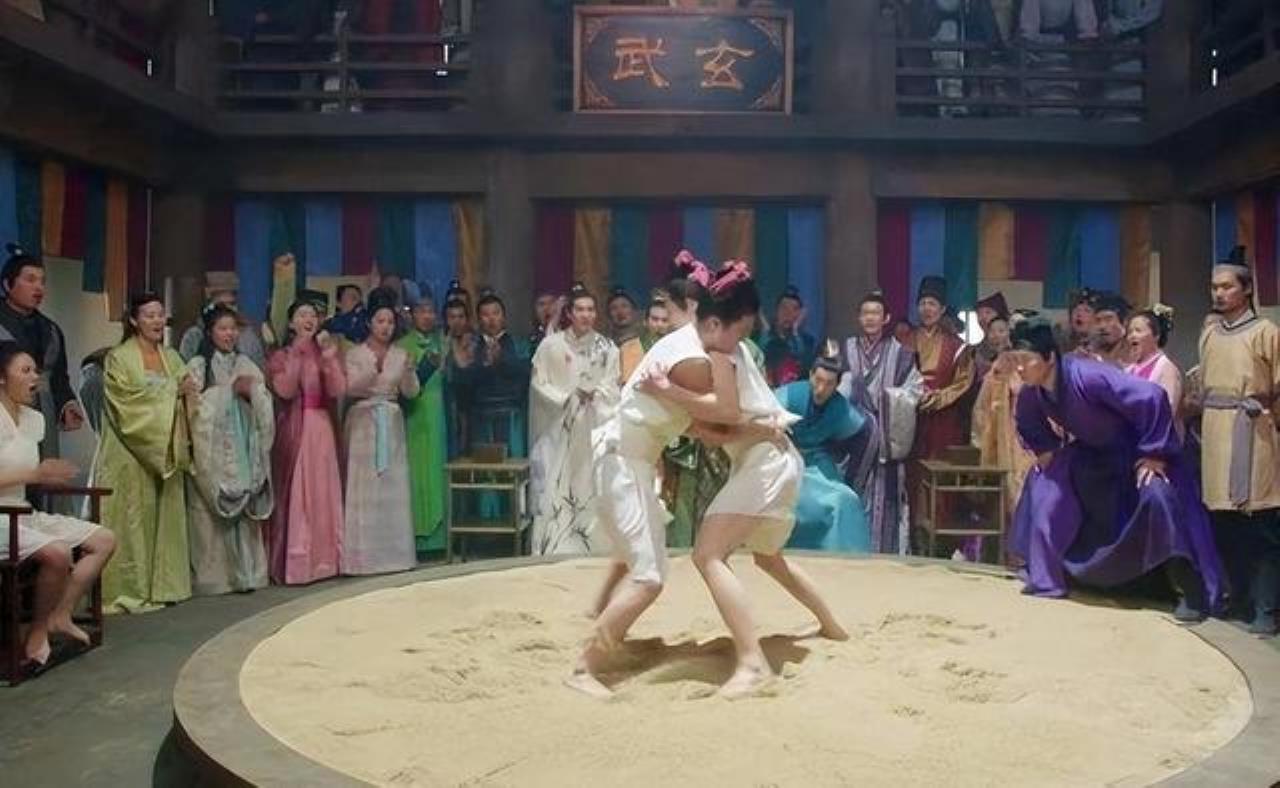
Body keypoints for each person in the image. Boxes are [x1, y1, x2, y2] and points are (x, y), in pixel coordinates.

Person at [633, 258, 848, 699]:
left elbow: (727, 417)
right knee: (769, 558)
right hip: (774, 458)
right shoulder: (724, 348)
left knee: (708, 554)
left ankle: (752, 664)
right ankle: (832, 626)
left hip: (767, 461)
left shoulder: (720, 352)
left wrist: (669, 393)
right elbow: (728, 424)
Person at [1008, 317, 1224, 621]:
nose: (1019, 368)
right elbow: (1027, 419)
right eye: (1015, 360)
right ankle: (1047, 573)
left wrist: (1154, 453)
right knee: (1046, 484)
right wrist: (1046, 451)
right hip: (1093, 454)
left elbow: (1152, 397)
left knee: (1157, 496)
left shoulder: (1088, 376)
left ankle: (1190, 590)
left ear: (1049, 357)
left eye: (1026, 360)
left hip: (1138, 451)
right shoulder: (1033, 390)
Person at [0, 342, 115, 669]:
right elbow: (27, 473)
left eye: (35, 371)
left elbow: (26, 474)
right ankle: (37, 631)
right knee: (58, 552)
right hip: (2, 518)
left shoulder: (34, 418)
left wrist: (48, 477)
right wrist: (37, 474)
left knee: (104, 540)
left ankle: (60, 615)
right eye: (25, 371)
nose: (34, 378)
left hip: (22, 512)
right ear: (2, 378)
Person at [92, 292, 194, 612]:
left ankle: (164, 586)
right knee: (131, 519)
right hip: (128, 449)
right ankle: (128, 589)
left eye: (160, 314)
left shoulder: (172, 357)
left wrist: (187, 394)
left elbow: (188, 392)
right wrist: (171, 391)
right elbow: (125, 403)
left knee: (164, 515)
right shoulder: (119, 357)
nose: (157, 321)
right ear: (134, 320)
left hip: (165, 448)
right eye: (149, 315)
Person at [1199, 250, 1280, 635]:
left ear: (1246, 289)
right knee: (1224, 524)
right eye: (1215, 287)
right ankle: (1239, 598)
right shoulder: (1210, 333)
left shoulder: (1267, 332)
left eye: (1227, 286)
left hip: (1254, 432)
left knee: (1260, 524)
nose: (1219, 293)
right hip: (1217, 432)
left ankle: (1266, 608)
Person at [184, 304, 275, 595]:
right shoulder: (198, 365)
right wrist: (226, 393)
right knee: (209, 514)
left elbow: (263, 400)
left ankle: (248, 573)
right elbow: (192, 408)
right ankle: (216, 578)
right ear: (210, 332)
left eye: (233, 328)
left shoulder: (245, 363)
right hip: (214, 448)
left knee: (245, 507)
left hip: (242, 445)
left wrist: (254, 394)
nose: (229, 334)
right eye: (222, 328)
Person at [528, 284, 620, 555]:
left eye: (590, 310)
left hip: (592, 427)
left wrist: (596, 395)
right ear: (569, 313)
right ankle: (555, 545)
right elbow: (539, 384)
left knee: (589, 484)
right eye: (580, 309)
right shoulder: (550, 345)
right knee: (554, 485)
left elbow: (613, 387)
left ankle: (595, 545)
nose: (586, 315)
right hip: (557, 429)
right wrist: (566, 399)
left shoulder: (607, 348)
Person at [266, 299, 346, 585]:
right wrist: (297, 355)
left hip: (323, 427)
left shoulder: (326, 350)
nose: (308, 319)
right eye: (302, 315)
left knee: (324, 491)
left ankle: (327, 560)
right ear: (291, 323)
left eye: (312, 315)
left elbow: (338, 389)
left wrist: (329, 359)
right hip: (298, 428)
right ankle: (300, 564)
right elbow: (285, 391)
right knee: (301, 492)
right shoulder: (281, 355)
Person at [839, 291, 922, 555]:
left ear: (886, 318)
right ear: (859, 318)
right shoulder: (846, 349)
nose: (870, 318)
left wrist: (891, 402)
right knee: (850, 492)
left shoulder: (902, 354)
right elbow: (836, 389)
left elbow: (915, 390)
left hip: (887, 439)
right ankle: (849, 547)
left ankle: (884, 549)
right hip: (854, 440)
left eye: (876, 313)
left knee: (886, 497)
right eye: (866, 313)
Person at [342, 297, 418, 575]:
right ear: (369, 323)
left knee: (391, 486)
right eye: (380, 321)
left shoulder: (400, 353)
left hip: (392, 421)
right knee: (365, 488)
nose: (386, 327)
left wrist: (409, 371)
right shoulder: (355, 353)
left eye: (390, 322)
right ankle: (362, 559)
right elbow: (350, 388)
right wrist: (372, 369)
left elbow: (411, 392)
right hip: (363, 422)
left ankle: (395, 556)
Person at [775, 353, 870, 552]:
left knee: (846, 500)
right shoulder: (791, 395)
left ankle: (843, 557)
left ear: (837, 385)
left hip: (817, 463)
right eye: (818, 380)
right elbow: (767, 421)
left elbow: (860, 433)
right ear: (810, 375)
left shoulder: (840, 407)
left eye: (828, 384)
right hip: (784, 458)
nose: (821, 389)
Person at [0, 245, 85, 462]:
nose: (38, 287)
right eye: (30, 279)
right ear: (8, 284)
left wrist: (67, 403)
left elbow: (59, 378)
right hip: (4, 407)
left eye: (42, 281)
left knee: (43, 470)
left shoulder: (52, 330)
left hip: (42, 409)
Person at [970, 313, 1031, 536]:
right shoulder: (1001, 365)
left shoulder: (1044, 363)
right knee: (1010, 492)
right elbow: (983, 408)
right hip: (1007, 435)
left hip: (1035, 439)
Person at [397, 295, 448, 554]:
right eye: (421, 311)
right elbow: (402, 390)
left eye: (431, 311)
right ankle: (418, 538)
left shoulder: (445, 343)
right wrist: (426, 366)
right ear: (411, 315)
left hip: (440, 418)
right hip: (415, 417)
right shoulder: (401, 347)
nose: (427, 316)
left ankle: (442, 539)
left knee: (440, 474)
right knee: (418, 475)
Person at [455, 291, 531, 459]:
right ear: (478, 319)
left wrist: (501, 360)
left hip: (511, 414)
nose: (491, 319)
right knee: (484, 468)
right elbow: (463, 384)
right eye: (485, 314)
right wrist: (481, 365)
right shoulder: (471, 346)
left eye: (496, 313)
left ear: (504, 317)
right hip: (480, 416)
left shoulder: (519, 344)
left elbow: (525, 374)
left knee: (512, 465)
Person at [178, 288, 267, 369]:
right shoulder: (194, 335)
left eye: (232, 304)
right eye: (222, 305)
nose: (229, 309)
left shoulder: (248, 336)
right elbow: (183, 371)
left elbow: (259, 369)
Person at [1125, 306, 1182, 417]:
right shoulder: (1128, 370)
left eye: (1138, 330)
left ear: (1156, 336)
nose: (1132, 336)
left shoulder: (1166, 368)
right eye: (1130, 332)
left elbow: (1167, 410)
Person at [762, 286, 818, 387]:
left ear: (800, 314)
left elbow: (806, 368)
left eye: (794, 309)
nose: (788, 313)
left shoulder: (807, 341)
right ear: (776, 311)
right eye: (784, 308)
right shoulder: (767, 338)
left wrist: (795, 332)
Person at [442, 294, 474, 459]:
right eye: (452, 317)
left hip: (471, 404)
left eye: (460, 317)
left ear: (467, 319)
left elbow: (465, 367)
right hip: (447, 404)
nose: (456, 322)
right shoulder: (440, 343)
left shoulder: (475, 342)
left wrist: (458, 347)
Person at [618, 291, 669, 383]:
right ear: (645, 322)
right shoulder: (628, 347)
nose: (659, 324)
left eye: (665, 320)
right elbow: (628, 381)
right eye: (655, 319)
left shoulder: (677, 347)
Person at [972, 291, 1011, 383]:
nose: (982, 318)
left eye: (988, 312)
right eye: (979, 314)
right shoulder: (973, 351)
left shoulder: (1017, 349)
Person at [1087, 292, 1132, 368]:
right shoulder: (1089, 354)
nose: (1102, 326)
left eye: (1108, 319)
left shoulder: (1134, 354)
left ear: (1124, 322)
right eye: (1098, 320)